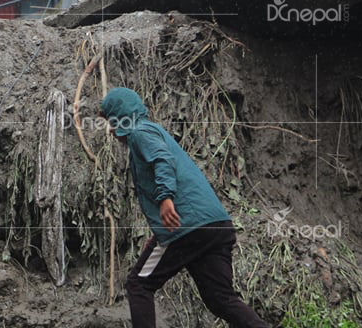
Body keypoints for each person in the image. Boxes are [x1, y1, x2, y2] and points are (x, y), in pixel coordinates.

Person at [99, 87, 269, 328]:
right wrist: (158, 230)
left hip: (187, 228)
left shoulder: (140, 132)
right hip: (216, 227)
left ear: (122, 117)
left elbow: (162, 160)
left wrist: (166, 199)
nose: (111, 129)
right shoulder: (153, 131)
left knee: (139, 284)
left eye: (111, 121)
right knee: (220, 298)